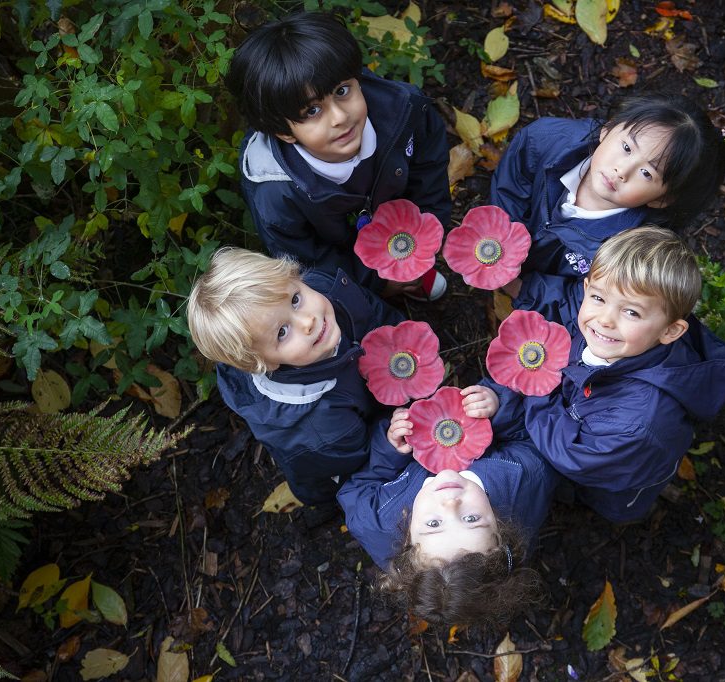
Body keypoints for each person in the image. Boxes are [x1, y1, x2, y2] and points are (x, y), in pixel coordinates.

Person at [516, 226, 725, 522]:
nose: (605, 319)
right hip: (589, 422)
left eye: (631, 312)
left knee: (597, 501)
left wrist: (533, 386)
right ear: (587, 289)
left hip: (615, 478)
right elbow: (563, 300)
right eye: (598, 298)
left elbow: (573, 456)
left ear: (670, 331)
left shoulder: (637, 424)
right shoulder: (617, 337)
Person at [225, 11, 451, 301]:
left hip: (402, 228)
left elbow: (429, 171)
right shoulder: (276, 193)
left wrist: (428, 235)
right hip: (343, 253)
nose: (340, 117)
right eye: (312, 111)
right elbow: (307, 261)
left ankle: (412, 269)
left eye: (342, 91)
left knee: (415, 266)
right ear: (284, 131)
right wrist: (375, 283)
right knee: (361, 304)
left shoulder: (404, 112)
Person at [187, 247, 404, 505]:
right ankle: (321, 506)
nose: (307, 321)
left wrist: (405, 342)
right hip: (334, 461)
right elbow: (358, 460)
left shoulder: (322, 289)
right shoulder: (317, 424)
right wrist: (387, 439)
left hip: (365, 396)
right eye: (281, 332)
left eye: (295, 300)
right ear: (266, 363)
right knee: (329, 489)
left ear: (295, 277)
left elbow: (371, 314)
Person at [336, 382, 558, 628]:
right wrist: (500, 409)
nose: (450, 503)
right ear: (501, 531)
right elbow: (532, 439)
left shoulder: (375, 520)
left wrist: (390, 452)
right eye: (472, 519)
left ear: (407, 542)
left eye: (433, 524)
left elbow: (356, 487)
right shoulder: (522, 477)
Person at [490, 94, 725, 299]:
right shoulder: (546, 141)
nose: (622, 171)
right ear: (608, 129)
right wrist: (502, 242)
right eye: (626, 148)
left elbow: (584, 299)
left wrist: (522, 290)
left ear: (661, 200)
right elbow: (510, 187)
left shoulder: (631, 253)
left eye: (646, 173)